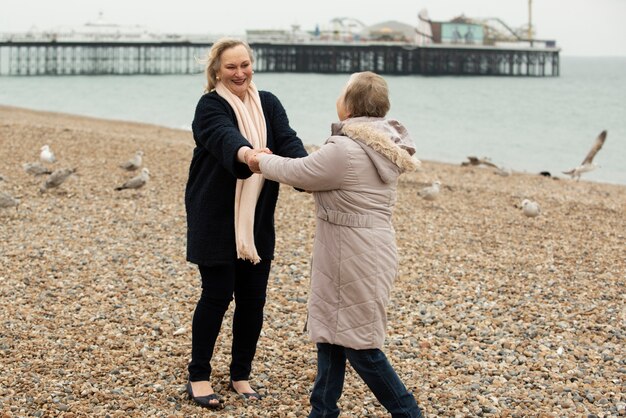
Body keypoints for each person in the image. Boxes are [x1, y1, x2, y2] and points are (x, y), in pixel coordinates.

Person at [249, 71, 424, 417]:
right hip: (354, 246)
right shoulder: (378, 141)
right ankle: (322, 410)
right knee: (330, 334)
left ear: (349, 105)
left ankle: (408, 412)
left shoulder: (345, 149)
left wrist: (259, 161)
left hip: (354, 253)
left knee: (360, 345)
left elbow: (299, 172)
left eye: (342, 92)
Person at [184, 37, 308, 409]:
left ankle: (240, 373)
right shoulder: (209, 106)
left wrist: (309, 172)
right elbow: (225, 138)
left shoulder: (268, 103)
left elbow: (288, 141)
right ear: (217, 71)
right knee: (218, 294)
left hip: (256, 218)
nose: (240, 73)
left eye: (245, 65)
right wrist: (250, 155)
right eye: (231, 67)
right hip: (214, 214)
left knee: (253, 301)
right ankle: (199, 375)